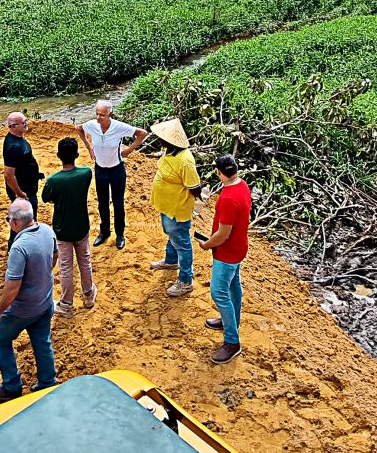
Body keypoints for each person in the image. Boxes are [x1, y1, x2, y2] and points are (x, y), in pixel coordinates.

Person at [0, 198, 58, 401]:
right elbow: (54, 257)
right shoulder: (47, 231)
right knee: (42, 341)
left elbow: (12, 288)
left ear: (14, 223)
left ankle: (12, 386)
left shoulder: (19, 248)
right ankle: (47, 382)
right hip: (45, 302)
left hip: (23, 310)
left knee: (0, 338)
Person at [197, 154, 251, 364]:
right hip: (239, 247)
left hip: (227, 252)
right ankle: (231, 321)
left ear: (218, 172)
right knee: (233, 286)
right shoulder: (242, 186)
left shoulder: (227, 198)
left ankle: (232, 342)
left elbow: (222, 235)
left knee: (218, 292)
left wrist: (207, 244)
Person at [78, 100, 148, 250]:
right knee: (102, 202)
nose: (98, 118)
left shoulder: (119, 127)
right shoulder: (92, 125)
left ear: (110, 114)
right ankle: (104, 232)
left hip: (117, 170)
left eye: (102, 115)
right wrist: (89, 147)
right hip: (100, 169)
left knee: (118, 203)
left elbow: (142, 134)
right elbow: (79, 129)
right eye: (97, 114)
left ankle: (120, 234)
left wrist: (128, 150)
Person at [41, 137, 96, 317]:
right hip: (81, 225)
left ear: (58, 156)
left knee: (65, 267)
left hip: (62, 228)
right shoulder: (86, 173)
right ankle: (88, 295)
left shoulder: (53, 180)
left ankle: (66, 304)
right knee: (85, 260)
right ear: (77, 155)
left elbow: (46, 198)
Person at [148, 118, 201, 297]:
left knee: (181, 241)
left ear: (170, 140)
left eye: (161, 137)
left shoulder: (185, 161)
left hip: (178, 208)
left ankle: (186, 280)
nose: (158, 139)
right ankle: (171, 260)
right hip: (167, 205)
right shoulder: (169, 151)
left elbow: (195, 188)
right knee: (172, 234)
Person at [3, 112, 42, 249]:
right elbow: (8, 174)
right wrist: (19, 193)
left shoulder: (17, 138)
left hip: (26, 186)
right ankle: (16, 247)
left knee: (23, 219)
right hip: (23, 191)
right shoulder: (14, 147)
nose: (26, 124)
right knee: (24, 221)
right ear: (13, 126)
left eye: (26, 120)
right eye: (23, 123)